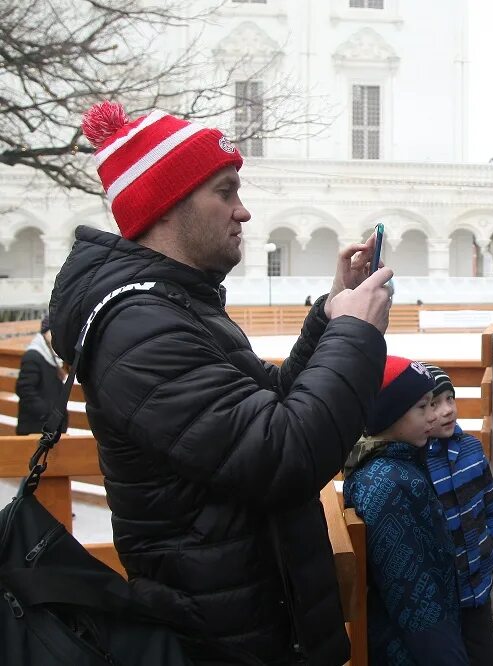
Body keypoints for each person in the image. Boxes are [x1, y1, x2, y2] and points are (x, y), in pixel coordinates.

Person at [47, 101, 393, 664]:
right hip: (222, 639)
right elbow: (284, 454)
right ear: (168, 203)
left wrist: (330, 316)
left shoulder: (176, 307)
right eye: (226, 192)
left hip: (255, 620)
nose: (244, 212)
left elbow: (272, 410)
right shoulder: (140, 330)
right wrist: (354, 334)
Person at [343, 356, 469, 665]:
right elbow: (414, 595)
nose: (432, 416)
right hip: (409, 650)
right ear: (390, 415)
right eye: (422, 407)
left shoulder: (397, 464)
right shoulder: (390, 485)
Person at [422, 364, 493, 665]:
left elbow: (491, 506)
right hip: (441, 597)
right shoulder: (416, 463)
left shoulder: (472, 450)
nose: (447, 410)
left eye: (450, 399)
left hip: (477, 584)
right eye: (434, 403)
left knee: (484, 656)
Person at [14, 313, 66, 435]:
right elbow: (24, 389)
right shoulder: (33, 356)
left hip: (47, 428)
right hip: (35, 427)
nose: (55, 335)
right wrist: (47, 413)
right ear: (44, 332)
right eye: (52, 331)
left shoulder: (50, 355)